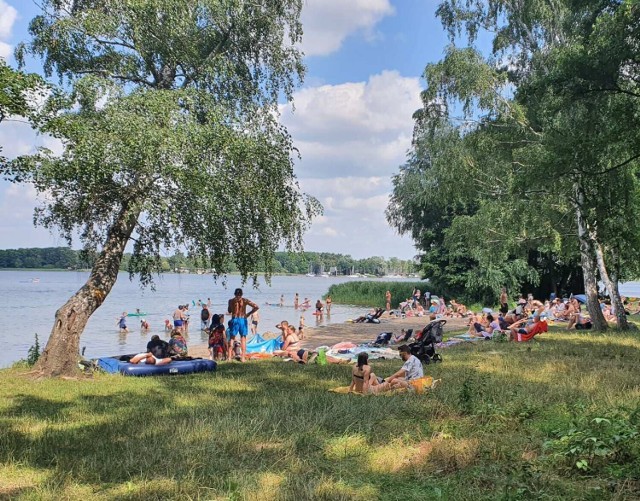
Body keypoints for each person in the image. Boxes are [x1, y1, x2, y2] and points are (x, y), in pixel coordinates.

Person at [227, 288, 259, 362]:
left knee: (232, 338)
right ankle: (243, 358)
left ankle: (229, 358)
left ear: (234, 294)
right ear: (242, 294)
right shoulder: (245, 300)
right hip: (242, 319)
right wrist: (248, 313)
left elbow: (229, 310)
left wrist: (232, 307)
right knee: (243, 338)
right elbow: (256, 306)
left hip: (234, 319)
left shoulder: (231, 301)